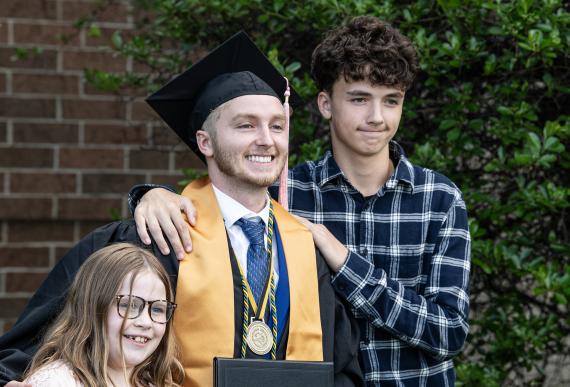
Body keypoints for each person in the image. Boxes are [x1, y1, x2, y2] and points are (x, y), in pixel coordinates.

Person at [0, 32, 361, 387]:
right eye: (246, 125)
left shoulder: (304, 247)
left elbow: (341, 366)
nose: (266, 140)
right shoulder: (156, 234)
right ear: (204, 142)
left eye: (277, 126)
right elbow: (54, 334)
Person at [129, 17, 471, 386]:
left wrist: (343, 263)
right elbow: (216, 200)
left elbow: (447, 332)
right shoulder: (285, 193)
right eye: (359, 99)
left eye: (392, 101)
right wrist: (150, 195)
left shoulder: (438, 199)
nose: (377, 117)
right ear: (325, 103)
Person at [21, 243, 183, 387]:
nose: (146, 322)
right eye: (128, 305)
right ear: (92, 307)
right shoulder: (55, 382)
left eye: (157, 309)